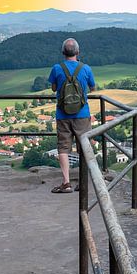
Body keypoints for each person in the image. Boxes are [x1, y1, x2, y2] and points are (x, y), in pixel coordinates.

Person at [48, 38, 95, 193]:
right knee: (84, 148)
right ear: (78, 52)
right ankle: (83, 183)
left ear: (63, 52)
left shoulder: (56, 68)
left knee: (63, 148)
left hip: (63, 114)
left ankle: (66, 182)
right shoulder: (86, 68)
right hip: (82, 114)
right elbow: (92, 88)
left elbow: (54, 88)